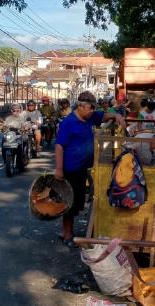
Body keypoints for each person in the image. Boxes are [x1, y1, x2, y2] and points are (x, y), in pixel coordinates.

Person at [54, 91, 126, 248]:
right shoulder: (68, 123)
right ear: (80, 106)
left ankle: (63, 231)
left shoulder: (90, 116)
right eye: (90, 107)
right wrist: (59, 169)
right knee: (70, 202)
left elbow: (104, 116)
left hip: (83, 167)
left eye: (94, 108)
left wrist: (116, 116)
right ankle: (68, 235)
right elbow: (59, 146)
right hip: (71, 168)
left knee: (77, 201)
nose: (92, 110)